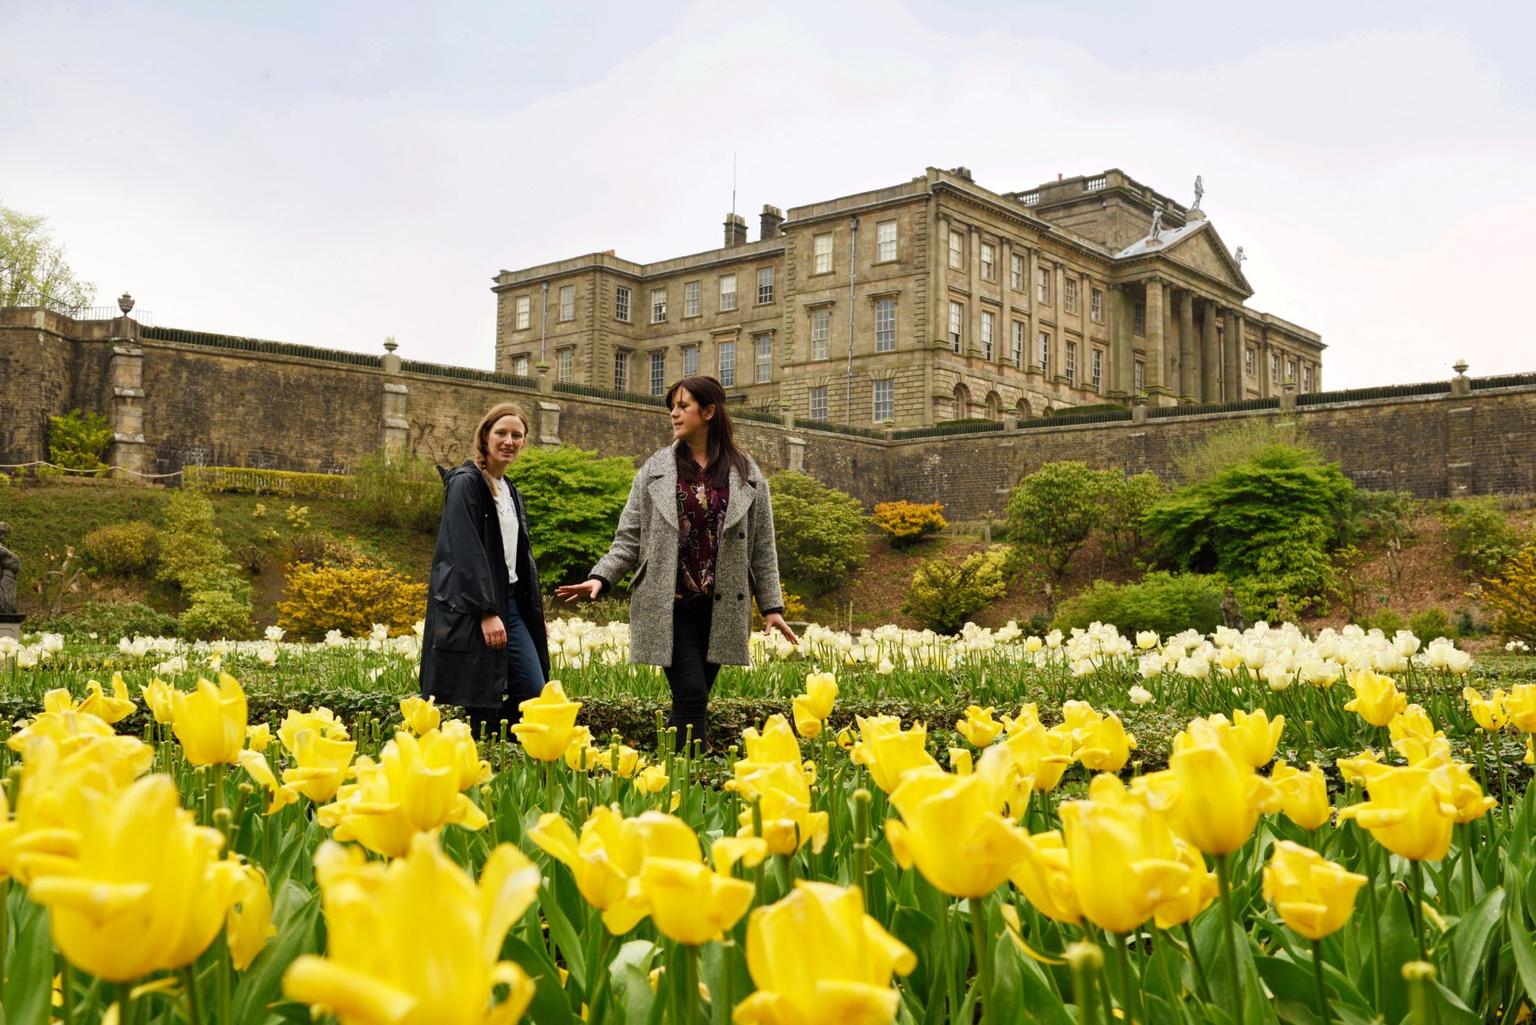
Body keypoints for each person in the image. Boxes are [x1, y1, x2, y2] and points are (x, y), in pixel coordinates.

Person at [556, 375, 797, 750]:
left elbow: (763, 545)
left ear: (709, 412)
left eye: (683, 406)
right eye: (672, 406)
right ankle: (689, 781)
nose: (674, 413)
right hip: (669, 604)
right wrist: (601, 577)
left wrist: (772, 606)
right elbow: (630, 537)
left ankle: (671, 777)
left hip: (723, 607)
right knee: (690, 693)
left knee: (693, 700)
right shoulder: (655, 470)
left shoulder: (747, 474)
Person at [419, 403, 549, 739]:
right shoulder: (466, 483)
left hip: (512, 605)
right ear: (485, 436)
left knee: (533, 693)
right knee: (482, 697)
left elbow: (519, 560)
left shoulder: (509, 490)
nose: (509, 441)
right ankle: (478, 761)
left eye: (517, 435)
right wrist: (486, 611)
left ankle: (494, 751)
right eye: (501, 433)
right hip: (475, 605)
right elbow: (462, 551)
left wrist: (533, 615)